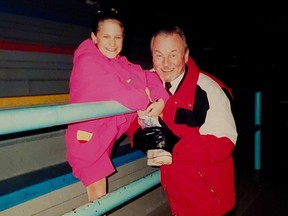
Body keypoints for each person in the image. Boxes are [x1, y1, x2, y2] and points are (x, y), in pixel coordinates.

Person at [130, 25, 238, 215]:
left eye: (173, 54)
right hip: (178, 197)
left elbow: (224, 144)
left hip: (212, 201)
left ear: (186, 55)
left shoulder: (208, 89)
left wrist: (174, 143)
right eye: (158, 55)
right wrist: (137, 135)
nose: (165, 64)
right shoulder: (147, 84)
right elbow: (130, 118)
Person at [65, 8, 169, 202]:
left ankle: (159, 149)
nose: (113, 44)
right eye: (106, 36)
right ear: (94, 37)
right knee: (97, 200)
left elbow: (148, 75)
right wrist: (144, 94)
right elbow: (129, 95)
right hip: (88, 140)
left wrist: (161, 98)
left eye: (118, 38)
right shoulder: (88, 62)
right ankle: (159, 149)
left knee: (99, 200)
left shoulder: (118, 62)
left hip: (107, 133)